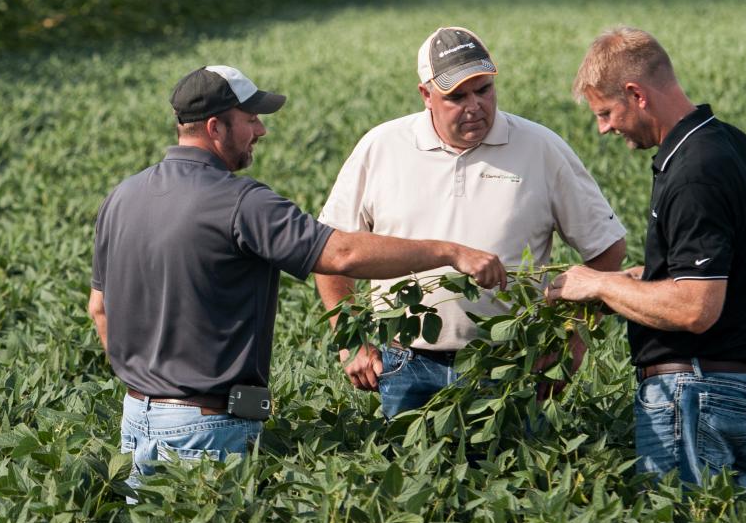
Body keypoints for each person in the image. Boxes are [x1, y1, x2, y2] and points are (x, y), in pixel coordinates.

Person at [89, 64, 507, 493]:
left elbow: (100, 308)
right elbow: (341, 254)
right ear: (216, 127)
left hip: (135, 420)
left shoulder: (121, 197)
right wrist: (448, 251)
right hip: (207, 430)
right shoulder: (241, 203)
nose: (261, 130)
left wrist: (149, 384)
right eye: (250, 119)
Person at [314, 27, 628, 417]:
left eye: (484, 90)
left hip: (510, 362)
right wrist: (351, 338)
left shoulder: (540, 147)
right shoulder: (381, 147)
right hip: (402, 364)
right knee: (411, 473)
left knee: (512, 474)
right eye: (457, 96)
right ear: (425, 95)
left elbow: (606, 248)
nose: (475, 105)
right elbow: (328, 249)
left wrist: (570, 339)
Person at [547, 27, 746, 487]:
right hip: (731, 390)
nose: (604, 127)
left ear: (636, 94)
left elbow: (695, 307)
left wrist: (601, 283)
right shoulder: (728, 144)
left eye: (606, 112)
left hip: (694, 395)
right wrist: (636, 276)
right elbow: (713, 268)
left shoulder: (695, 173)